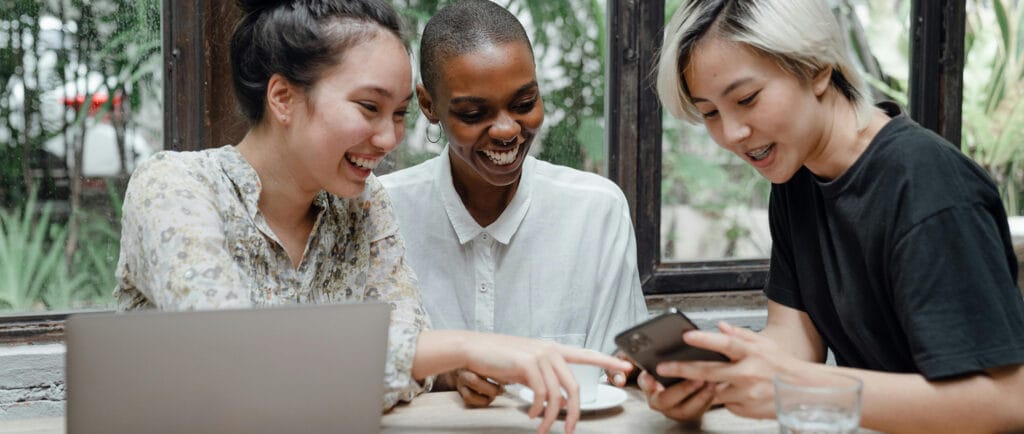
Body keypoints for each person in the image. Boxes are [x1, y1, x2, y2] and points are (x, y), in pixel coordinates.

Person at [113, 1, 631, 433]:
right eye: (368, 107)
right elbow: (235, 367)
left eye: (400, 113)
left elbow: (412, 374)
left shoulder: (364, 205)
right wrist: (464, 347)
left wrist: (416, 363)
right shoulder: (175, 188)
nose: (389, 140)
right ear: (283, 97)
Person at [642, 0, 1024, 433]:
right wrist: (714, 381)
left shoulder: (927, 185)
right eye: (710, 112)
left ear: (818, 67)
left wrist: (792, 383)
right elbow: (795, 339)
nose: (731, 134)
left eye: (746, 99)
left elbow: (1008, 402)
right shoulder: (796, 175)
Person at [379, 0, 649, 408]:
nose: (507, 130)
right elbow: (348, 367)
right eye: (473, 113)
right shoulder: (383, 213)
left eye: (524, 104)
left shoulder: (595, 212)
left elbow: (620, 372)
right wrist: (444, 371)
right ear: (429, 105)